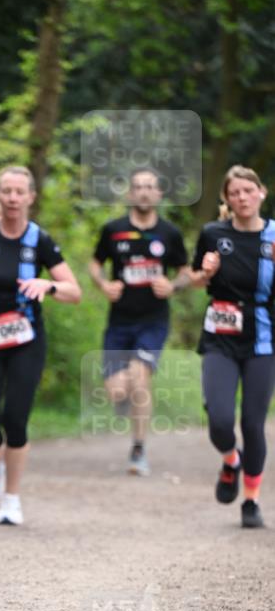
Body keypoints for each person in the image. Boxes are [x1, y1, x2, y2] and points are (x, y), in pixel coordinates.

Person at [0, 166, 81, 525]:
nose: (12, 198)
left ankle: (11, 499)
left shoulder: (40, 240)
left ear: (30, 197)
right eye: (6, 191)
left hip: (26, 339)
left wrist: (47, 286)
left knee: (16, 419)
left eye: (19, 192)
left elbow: (75, 291)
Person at [189, 165, 274, 528]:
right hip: (220, 338)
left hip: (263, 339)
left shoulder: (273, 237)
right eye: (234, 192)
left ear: (261, 193)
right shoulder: (213, 233)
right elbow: (192, 279)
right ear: (226, 199)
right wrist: (205, 272)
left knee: (253, 424)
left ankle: (251, 500)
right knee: (221, 419)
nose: (241, 197)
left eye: (247, 191)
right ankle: (230, 461)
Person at [89, 169, 190, 476]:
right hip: (119, 321)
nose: (144, 192)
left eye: (150, 187)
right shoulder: (114, 230)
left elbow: (186, 271)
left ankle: (138, 448)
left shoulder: (170, 233)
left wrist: (173, 286)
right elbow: (95, 264)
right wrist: (104, 285)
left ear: (159, 194)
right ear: (130, 194)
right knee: (117, 391)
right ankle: (124, 400)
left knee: (139, 377)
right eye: (138, 187)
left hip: (153, 321)